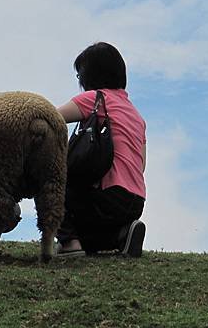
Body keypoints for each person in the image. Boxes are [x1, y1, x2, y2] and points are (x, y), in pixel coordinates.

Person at [55, 42, 147, 257]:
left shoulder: (95, 99)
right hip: (134, 202)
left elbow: (50, 118)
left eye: (80, 76)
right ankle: (122, 234)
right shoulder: (136, 115)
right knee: (90, 242)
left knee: (52, 183)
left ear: (90, 75)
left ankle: (69, 243)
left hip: (104, 196)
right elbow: (141, 165)